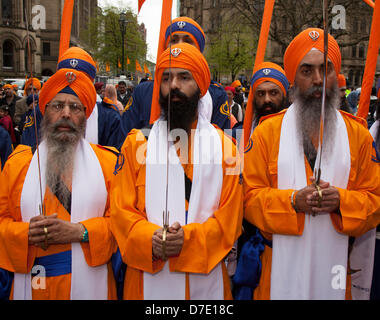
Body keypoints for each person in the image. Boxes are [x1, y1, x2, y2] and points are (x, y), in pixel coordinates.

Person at [243, 28, 380, 300]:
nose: (318, 79)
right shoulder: (266, 133)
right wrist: (292, 201)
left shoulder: (359, 136)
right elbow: (247, 199)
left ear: (335, 74)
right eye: (307, 70)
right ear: (293, 78)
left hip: (337, 275)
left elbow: (374, 202)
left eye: (325, 69)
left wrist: (341, 202)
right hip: (276, 275)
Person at [110, 43, 243, 300]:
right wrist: (150, 239)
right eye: (167, 78)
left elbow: (232, 218)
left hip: (207, 283)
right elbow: (119, 210)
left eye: (184, 77)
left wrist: (188, 241)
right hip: (145, 281)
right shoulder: (136, 143)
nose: (173, 86)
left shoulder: (228, 147)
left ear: (200, 87)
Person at [0, 62, 118, 300]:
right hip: (34, 284)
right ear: (45, 111)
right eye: (57, 105)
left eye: (75, 107)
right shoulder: (18, 164)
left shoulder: (108, 164)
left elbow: (122, 224)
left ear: (85, 115)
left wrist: (80, 232)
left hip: (93, 284)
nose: (66, 113)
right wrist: (25, 234)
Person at [121, 16, 231, 137]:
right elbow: (124, 139)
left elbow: (222, 146)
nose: (180, 46)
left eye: (188, 41)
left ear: (199, 50)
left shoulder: (216, 95)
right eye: (173, 40)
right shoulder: (143, 92)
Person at [57, 47, 124, 149]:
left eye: (81, 82)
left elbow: (117, 159)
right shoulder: (43, 114)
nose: (73, 89)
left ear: (91, 84)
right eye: (66, 81)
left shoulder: (109, 118)